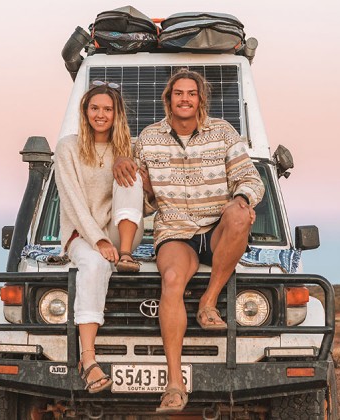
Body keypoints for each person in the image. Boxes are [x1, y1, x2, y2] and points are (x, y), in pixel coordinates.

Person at [113, 70, 264, 412]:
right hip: (174, 230)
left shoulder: (224, 132)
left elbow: (250, 178)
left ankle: (208, 302)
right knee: (171, 279)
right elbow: (139, 198)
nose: (184, 99)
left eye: (191, 93)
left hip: (218, 228)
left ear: (200, 99)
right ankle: (174, 385)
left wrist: (241, 198)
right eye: (177, 93)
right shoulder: (149, 139)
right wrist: (129, 168)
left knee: (240, 214)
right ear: (168, 99)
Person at [54, 81, 144, 393]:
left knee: (130, 174)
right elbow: (73, 202)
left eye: (107, 109)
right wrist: (99, 241)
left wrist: (127, 163)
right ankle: (88, 359)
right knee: (92, 264)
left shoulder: (128, 148)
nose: (101, 114)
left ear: (117, 113)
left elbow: (146, 201)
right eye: (95, 108)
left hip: (121, 234)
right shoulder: (68, 147)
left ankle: (129, 253)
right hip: (82, 233)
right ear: (85, 111)